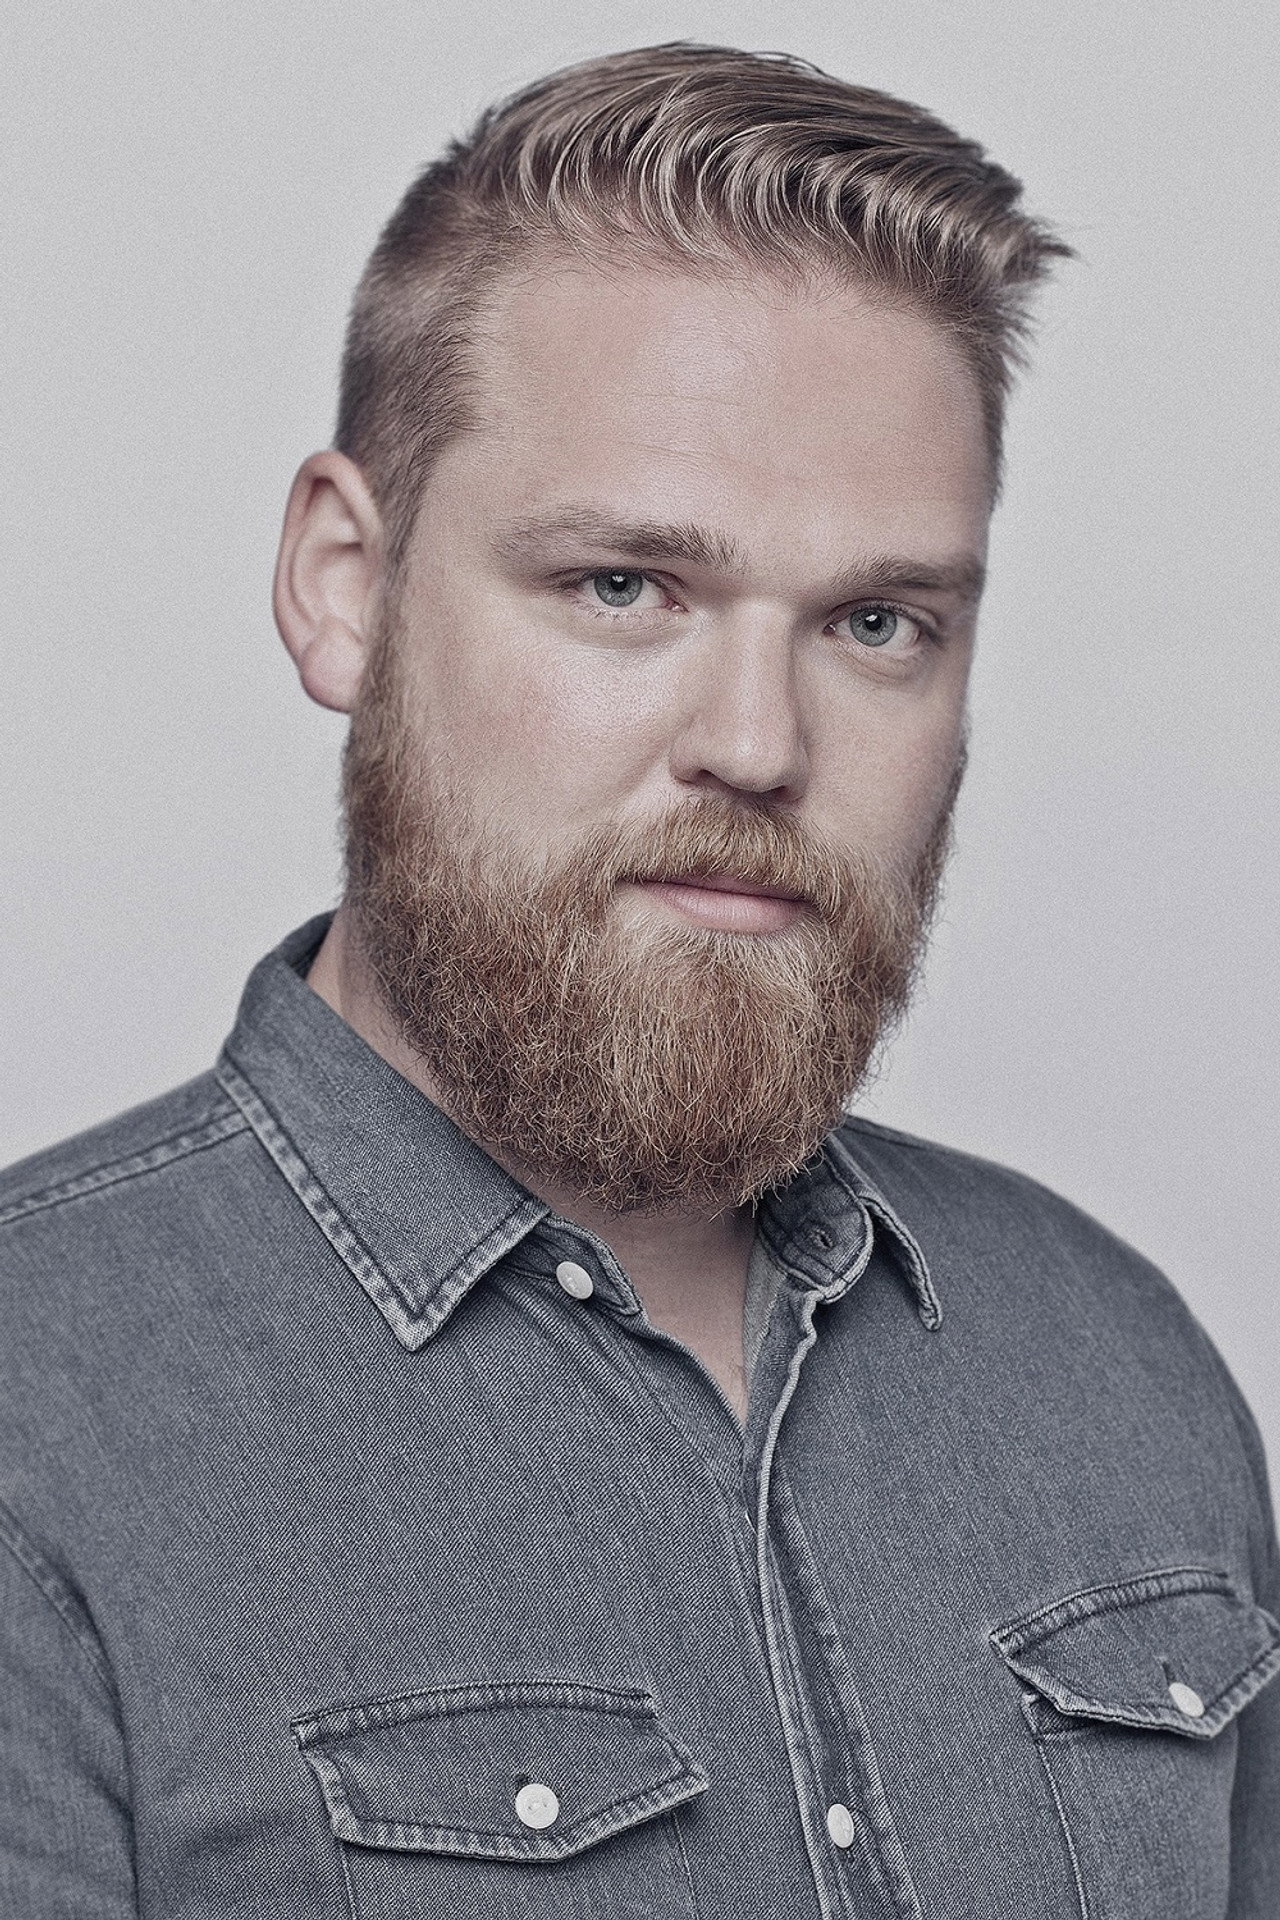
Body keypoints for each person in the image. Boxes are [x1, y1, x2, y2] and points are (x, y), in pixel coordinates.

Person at [1, 40, 1276, 1920]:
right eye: (623, 588)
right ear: (345, 583)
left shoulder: (1115, 1366)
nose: (757, 744)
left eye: (877, 623)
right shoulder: (35, 1426)